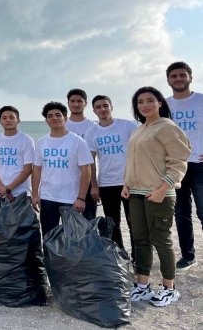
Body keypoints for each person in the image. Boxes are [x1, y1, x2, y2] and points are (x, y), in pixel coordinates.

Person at [123, 86, 191, 307]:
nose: (145, 105)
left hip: (159, 192)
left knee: (161, 240)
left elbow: (180, 160)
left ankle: (169, 288)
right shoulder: (139, 129)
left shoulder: (167, 127)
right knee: (140, 239)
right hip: (136, 193)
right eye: (140, 101)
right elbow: (134, 160)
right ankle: (143, 285)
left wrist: (163, 188)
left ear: (160, 102)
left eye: (150, 100)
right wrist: (126, 183)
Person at [31, 102, 93, 236]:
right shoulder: (41, 142)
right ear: (46, 120)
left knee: (72, 238)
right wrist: (35, 194)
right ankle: (49, 258)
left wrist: (81, 198)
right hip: (47, 197)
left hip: (71, 198)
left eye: (58, 115)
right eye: (50, 116)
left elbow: (86, 170)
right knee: (48, 236)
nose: (54, 118)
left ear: (65, 117)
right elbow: (36, 170)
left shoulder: (77, 141)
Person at [86, 95, 137, 256]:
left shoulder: (127, 125)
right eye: (98, 107)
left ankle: (138, 255)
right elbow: (91, 162)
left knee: (134, 222)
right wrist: (94, 185)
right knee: (112, 222)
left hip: (130, 181)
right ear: (94, 111)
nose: (102, 109)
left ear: (111, 107)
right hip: (106, 184)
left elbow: (140, 151)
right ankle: (119, 254)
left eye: (105, 106)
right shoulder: (92, 131)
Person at [166, 61, 203, 270]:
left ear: (190, 77)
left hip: (199, 165)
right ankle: (188, 256)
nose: (178, 79)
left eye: (182, 75)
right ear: (168, 80)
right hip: (174, 166)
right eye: (174, 76)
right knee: (181, 214)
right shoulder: (164, 105)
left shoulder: (201, 101)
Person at [0, 106, 34, 203]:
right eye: (4, 118)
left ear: (18, 120)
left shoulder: (27, 140)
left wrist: (8, 188)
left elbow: (28, 169)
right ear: (0, 121)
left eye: (11, 117)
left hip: (21, 193)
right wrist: (1, 187)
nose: (8, 120)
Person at [66, 89, 97, 220]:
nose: (76, 104)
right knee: (68, 223)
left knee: (88, 221)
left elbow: (93, 158)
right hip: (66, 180)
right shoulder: (63, 125)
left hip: (87, 180)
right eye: (72, 101)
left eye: (79, 101)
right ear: (68, 103)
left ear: (85, 103)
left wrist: (95, 185)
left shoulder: (93, 126)